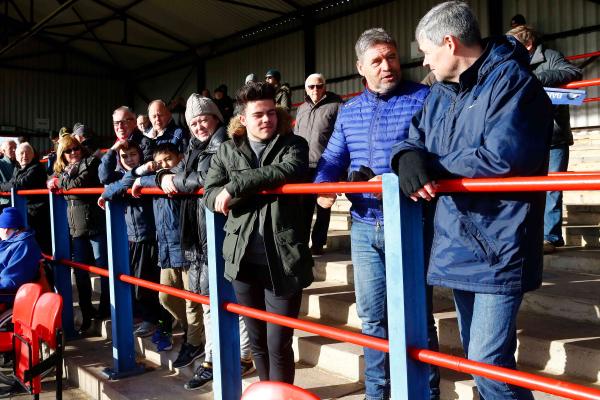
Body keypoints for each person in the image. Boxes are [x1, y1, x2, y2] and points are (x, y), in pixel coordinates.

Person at [391, 2, 553, 399]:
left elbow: (503, 158)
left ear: (449, 42)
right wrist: (407, 157)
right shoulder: (441, 93)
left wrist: (433, 162)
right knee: (480, 358)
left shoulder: (512, 83)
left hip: (501, 240)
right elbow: (414, 137)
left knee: (487, 361)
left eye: (427, 51)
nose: (425, 61)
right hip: (457, 241)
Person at [314, 28, 436, 400]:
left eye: (392, 57)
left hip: (412, 223)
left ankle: (425, 393)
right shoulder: (349, 112)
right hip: (365, 227)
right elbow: (333, 158)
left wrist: (402, 174)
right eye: (377, 61)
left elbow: (438, 152)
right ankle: (377, 392)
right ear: (360, 69)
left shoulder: (424, 99)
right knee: (371, 317)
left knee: (417, 316)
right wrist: (324, 185)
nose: (388, 66)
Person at [204, 81, 313, 384]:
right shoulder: (227, 150)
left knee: (278, 344)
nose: (266, 120)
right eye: (258, 115)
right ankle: (267, 392)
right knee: (257, 342)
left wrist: (236, 185)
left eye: (271, 113)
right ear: (243, 119)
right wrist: (242, 190)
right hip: (243, 262)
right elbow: (210, 196)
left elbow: (290, 169)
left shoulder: (293, 143)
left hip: (283, 260)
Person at [155, 94, 253, 390]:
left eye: (204, 119)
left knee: (232, 299)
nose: (199, 125)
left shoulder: (226, 143)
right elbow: (183, 174)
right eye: (193, 121)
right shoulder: (194, 146)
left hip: (223, 232)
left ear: (216, 119)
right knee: (207, 300)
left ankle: (243, 356)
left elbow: (202, 178)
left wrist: (171, 180)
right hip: (199, 234)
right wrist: (162, 176)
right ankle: (211, 357)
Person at [507, 25, 583, 254]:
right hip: (526, 136)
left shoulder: (550, 57)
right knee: (527, 188)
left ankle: (550, 237)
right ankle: (529, 235)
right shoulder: (513, 63)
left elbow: (573, 72)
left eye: (514, 45)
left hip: (553, 135)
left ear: (527, 44)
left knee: (552, 188)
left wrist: (534, 78)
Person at [132, 143, 205, 367]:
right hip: (166, 247)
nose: (165, 166)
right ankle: (192, 330)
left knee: (191, 300)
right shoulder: (157, 178)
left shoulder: (181, 176)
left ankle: (194, 342)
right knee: (165, 296)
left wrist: (147, 178)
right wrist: (140, 175)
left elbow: (178, 178)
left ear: (180, 158)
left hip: (187, 246)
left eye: (169, 160)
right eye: (160, 162)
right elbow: (126, 179)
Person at [97, 141, 165, 339]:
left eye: (133, 154)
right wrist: (112, 150)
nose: (129, 159)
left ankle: (154, 320)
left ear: (140, 155)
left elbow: (125, 183)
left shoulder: (146, 171)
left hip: (148, 234)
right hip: (132, 234)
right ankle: (148, 317)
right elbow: (107, 180)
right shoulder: (125, 173)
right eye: (125, 156)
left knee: (146, 281)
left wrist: (108, 192)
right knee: (136, 281)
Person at [47, 135, 111, 333]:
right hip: (76, 229)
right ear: (62, 154)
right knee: (81, 274)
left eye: (76, 148)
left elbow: (79, 184)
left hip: (95, 225)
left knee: (104, 269)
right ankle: (86, 313)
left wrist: (61, 183)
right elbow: (52, 179)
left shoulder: (91, 162)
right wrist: (54, 180)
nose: (73, 152)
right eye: (68, 150)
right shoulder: (62, 170)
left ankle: (105, 309)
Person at [294, 73, 342, 255]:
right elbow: (296, 136)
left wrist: (341, 168)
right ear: (306, 89)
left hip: (326, 165)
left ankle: (318, 243)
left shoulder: (336, 106)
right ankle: (302, 243)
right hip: (304, 166)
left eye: (319, 85)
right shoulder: (302, 109)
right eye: (311, 86)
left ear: (325, 86)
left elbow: (341, 137)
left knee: (323, 207)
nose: (315, 89)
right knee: (303, 207)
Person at [0, 143, 51, 254]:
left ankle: (46, 269)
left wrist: (1, 186)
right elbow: (12, 183)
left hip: (37, 212)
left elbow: (19, 185)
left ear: (32, 155)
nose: (24, 156)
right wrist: (7, 185)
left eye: (28, 153)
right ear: (17, 157)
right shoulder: (18, 168)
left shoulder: (36, 168)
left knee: (41, 245)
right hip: (26, 211)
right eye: (21, 153)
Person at [0, 207, 41, 306]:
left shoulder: (24, 245)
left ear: (5, 229)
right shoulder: (9, 242)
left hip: (8, 295)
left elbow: (11, 280)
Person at [0, 140, 17, 213]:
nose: (14, 150)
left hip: (21, 200)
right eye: (11, 148)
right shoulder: (1, 164)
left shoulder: (20, 164)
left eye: (15, 147)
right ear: (3, 151)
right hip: (5, 204)